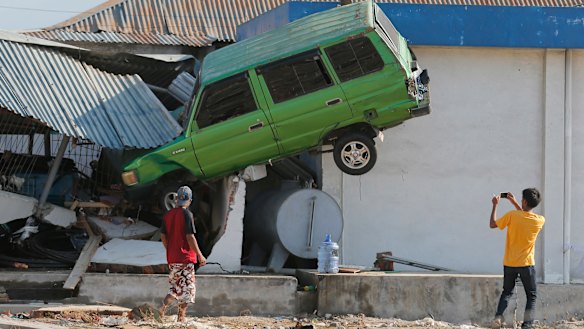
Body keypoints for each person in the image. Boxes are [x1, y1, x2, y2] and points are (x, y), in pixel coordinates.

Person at [489, 188, 545, 329]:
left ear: (524, 201)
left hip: (509, 263)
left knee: (507, 292)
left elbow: (492, 224)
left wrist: (495, 205)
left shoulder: (512, 215)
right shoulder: (540, 221)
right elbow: (525, 215)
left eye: (521, 199)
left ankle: (498, 317)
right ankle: (526, 326)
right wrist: (514, 202)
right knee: (531, 295)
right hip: (527, 264)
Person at [159, 186, 207, 322]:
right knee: (188, 289)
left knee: (175, 287)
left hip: (172, 258)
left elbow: (162, 235)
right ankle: (181, 317)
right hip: (185, 258)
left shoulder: (168, 215)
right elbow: (190, 237)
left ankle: (162, 310)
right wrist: (200, 255)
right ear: (190, 200)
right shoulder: (187, 214)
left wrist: (169, 249)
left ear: (176, 199)